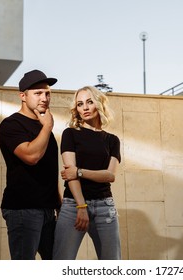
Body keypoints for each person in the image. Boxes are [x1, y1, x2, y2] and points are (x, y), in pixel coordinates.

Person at [53, 85, 121, 260]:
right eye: (80, 104)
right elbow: (70, 174)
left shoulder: (112, 140)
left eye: (89, 102)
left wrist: (80, 172)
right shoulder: (70, 134)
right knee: (62, 262)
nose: (84, 107)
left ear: (98, 104)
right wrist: (81, 206)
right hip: (73, 205)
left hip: (105, 207)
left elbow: (110, 176)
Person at [0, 69, 61, 260]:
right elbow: (31, 156)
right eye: (38, 93)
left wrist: (58, 205)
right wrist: (48, 126)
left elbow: (50, 173)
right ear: (23, 96)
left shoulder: (44, 129)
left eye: (47, 93)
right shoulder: (11, 124)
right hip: (23, 209)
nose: (44, 98)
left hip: (48, 211)